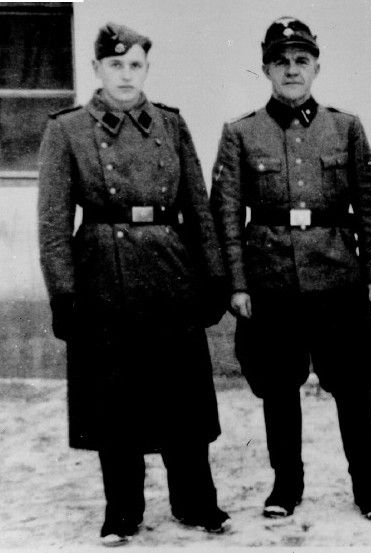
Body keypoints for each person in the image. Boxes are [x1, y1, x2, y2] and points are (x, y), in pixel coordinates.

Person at [38, 23, 231, 547]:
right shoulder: (68, 129)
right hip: (104, 272)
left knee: (183, 396)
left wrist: (214, 275)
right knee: (114, 398)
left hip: (172, 269)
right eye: (115, 65)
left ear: (146, 69)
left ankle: (196, 501)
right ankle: (122, 511)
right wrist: (64, 293)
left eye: (136, 65)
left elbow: (199, 205)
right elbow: (53, 223)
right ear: (97, 69)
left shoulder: (170, 123)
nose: (126, 75)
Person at [209, 17, 371, 521]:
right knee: (278, 386)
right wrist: (237, 284)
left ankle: (368, 488)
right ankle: (286, 486)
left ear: (315, 67)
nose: (291, 70)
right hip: (271, 281)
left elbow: (369, 203)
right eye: (281, 61)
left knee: (353, 386)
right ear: (266, 68)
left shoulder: (345, 127)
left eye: (301, 61)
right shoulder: (240, 133)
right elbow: (225, 214)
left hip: (337, 275)